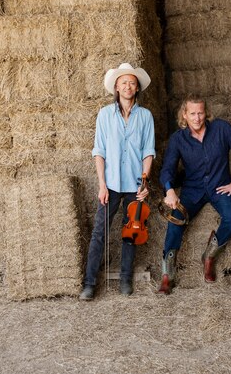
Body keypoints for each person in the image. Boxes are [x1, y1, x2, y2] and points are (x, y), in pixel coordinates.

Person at [158, 96, 231, 294]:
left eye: (200, 112)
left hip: (220, 187)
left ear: (206, 112)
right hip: (192, 190)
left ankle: (209, 256)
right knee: (175, 220)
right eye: (192, 113)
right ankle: (168, 274)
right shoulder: (178, 139)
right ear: (184, 114)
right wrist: (169, 190)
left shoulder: (221, 129)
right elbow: (167, 168)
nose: (197, 118)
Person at [79, 63, 155, 301]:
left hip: (134, 184)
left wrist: (144, 183)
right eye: (124, 82)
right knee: (99, 233)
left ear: (137, 87)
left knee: (130, 232)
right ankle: (89, 283)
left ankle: (125, 279)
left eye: (132, 82)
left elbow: (148, 152)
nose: (128, 86)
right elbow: (99, 151)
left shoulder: (145, 116)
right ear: (116, 87)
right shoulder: (104, 114)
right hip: (111, 184)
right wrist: (102, 184)